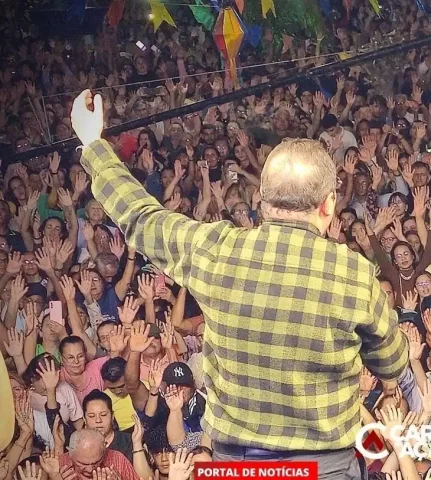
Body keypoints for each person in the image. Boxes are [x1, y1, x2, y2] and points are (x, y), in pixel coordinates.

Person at [70, 90, 408, 475]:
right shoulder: (354, 274)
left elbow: (140, 216)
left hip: (238, 466)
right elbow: (392, 361)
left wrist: (94, 145)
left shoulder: (218, 249)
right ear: (329, 204)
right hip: (324, 466)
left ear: (261, 199)